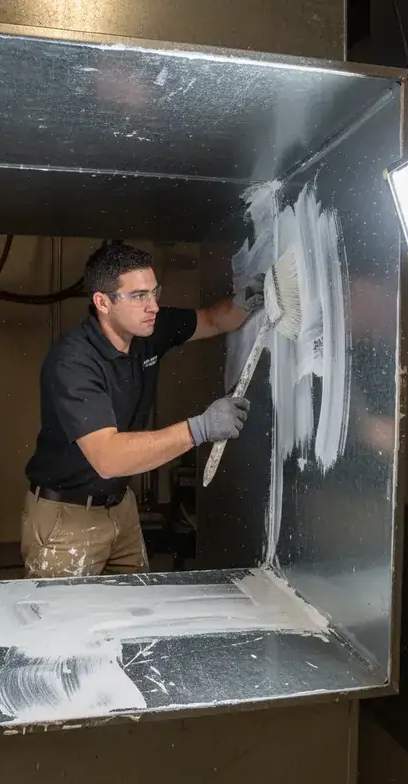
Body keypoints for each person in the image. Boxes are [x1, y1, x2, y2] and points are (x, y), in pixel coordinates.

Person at [21, 241, 262, 579]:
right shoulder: (73, 362)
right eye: (138, 296)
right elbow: (109, 458)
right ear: (102, 302)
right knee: (65, 613)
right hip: (68, 518)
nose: (153, 306)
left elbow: (212, 320)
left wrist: (245, 301)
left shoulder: (149, 328)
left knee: (136, 604)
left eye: (154, 292)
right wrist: (200, 429)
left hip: (121, 507)